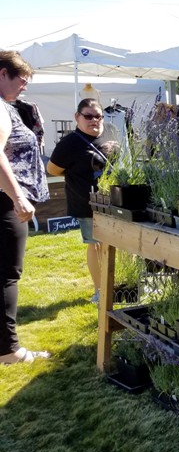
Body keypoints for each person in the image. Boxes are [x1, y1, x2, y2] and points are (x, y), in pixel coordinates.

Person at [0, 51, 50, 365]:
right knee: (7, 275)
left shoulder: (10, 107)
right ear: (3, 73)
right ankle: (9, 351)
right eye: (22, 80)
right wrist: (18, 197)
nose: (24, 87)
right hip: (4, 201)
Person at [47, 98, 116, 303]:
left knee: (112, 244)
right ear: (77, 117)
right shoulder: (69, 143)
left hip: (114, 200)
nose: (94, 120)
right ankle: (100, 290)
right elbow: (52, 169)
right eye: (88, 116)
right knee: (95, 243)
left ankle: (113, 285)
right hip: (86, 201)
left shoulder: (110, 132)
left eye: (98, 116)